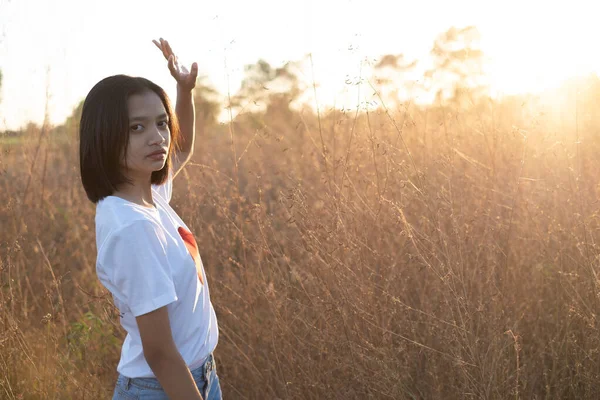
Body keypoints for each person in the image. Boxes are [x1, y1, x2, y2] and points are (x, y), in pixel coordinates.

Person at [79, 38, 221, 400]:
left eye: (161, 123)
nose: (158, 137)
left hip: (196, 375)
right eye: (136, 128)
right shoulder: (134, 227)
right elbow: (158, 351)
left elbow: (182, 146)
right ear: (104, 136)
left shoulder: (147, 196)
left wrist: (183, 91)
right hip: (162, 388)